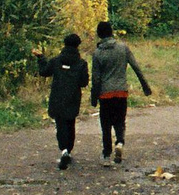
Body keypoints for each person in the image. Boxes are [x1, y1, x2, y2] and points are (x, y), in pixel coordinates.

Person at [89, 19, 152, 163]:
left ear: (99, 34)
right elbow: (136, 67)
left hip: (105, 94)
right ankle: (120, 142)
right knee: (120, 120)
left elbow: (96, 78)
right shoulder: (123, 48)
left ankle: (106, 154)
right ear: (111, 32)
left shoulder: (97, 53)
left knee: (105, 124)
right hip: (121, 92)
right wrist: (145, 86)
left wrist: (94, 97)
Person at [33, 32, 90, 171]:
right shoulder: (82, 63)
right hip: (73, 98)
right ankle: (68, 150)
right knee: (70, 124)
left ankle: (63, 150)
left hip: (57, 97)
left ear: (64, 44)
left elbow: (44, 72)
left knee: (60, 124)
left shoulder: (56, 61)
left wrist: (41, 58)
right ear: (78, 45)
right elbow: (84, 82)